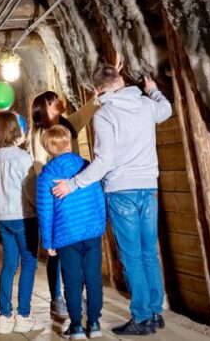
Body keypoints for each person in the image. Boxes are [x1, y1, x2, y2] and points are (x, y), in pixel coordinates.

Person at [52, 65, 172, 336]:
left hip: (121, 191)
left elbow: (104, 161)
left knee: (132, 256)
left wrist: (72, 184)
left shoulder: (104, 114)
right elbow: (166, 110)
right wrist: (154, 91)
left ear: (97, 90)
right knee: (149, 253)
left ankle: (141, 317)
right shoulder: (145, 104)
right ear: (120, 81)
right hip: (148, 187)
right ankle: (155, 313)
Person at [30, 90, 99, 317]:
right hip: (56, 193)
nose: (59, 102)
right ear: (45, 108)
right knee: (57, 251)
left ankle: (76, 294)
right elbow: (40, 166)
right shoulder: (39, 133)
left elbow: (88, 111)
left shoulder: (68, 124)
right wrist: (50, 192)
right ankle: (56, 297)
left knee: (75, 248)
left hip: (75, 192)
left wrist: (98, 95)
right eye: (54, 101)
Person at [36, 125, 106, 340]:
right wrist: (100, 225)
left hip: (66, 235)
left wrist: (48, 242)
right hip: (92, 232)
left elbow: (45, 212)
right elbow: (99, 198)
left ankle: (76, 326)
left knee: (72, 280)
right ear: (69, 143)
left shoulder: (46, 175)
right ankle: (94, 323)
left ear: (48, 149)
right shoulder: (86, 167)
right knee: (93, 277)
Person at [0, 111, 43, 334]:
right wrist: (40, 209)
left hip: (3, 218)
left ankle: (5, 317)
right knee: (29, 263)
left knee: (9, 264)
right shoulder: (23, 158)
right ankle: (24, 315)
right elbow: (30, 190)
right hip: (23, 216)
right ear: (15, 131)